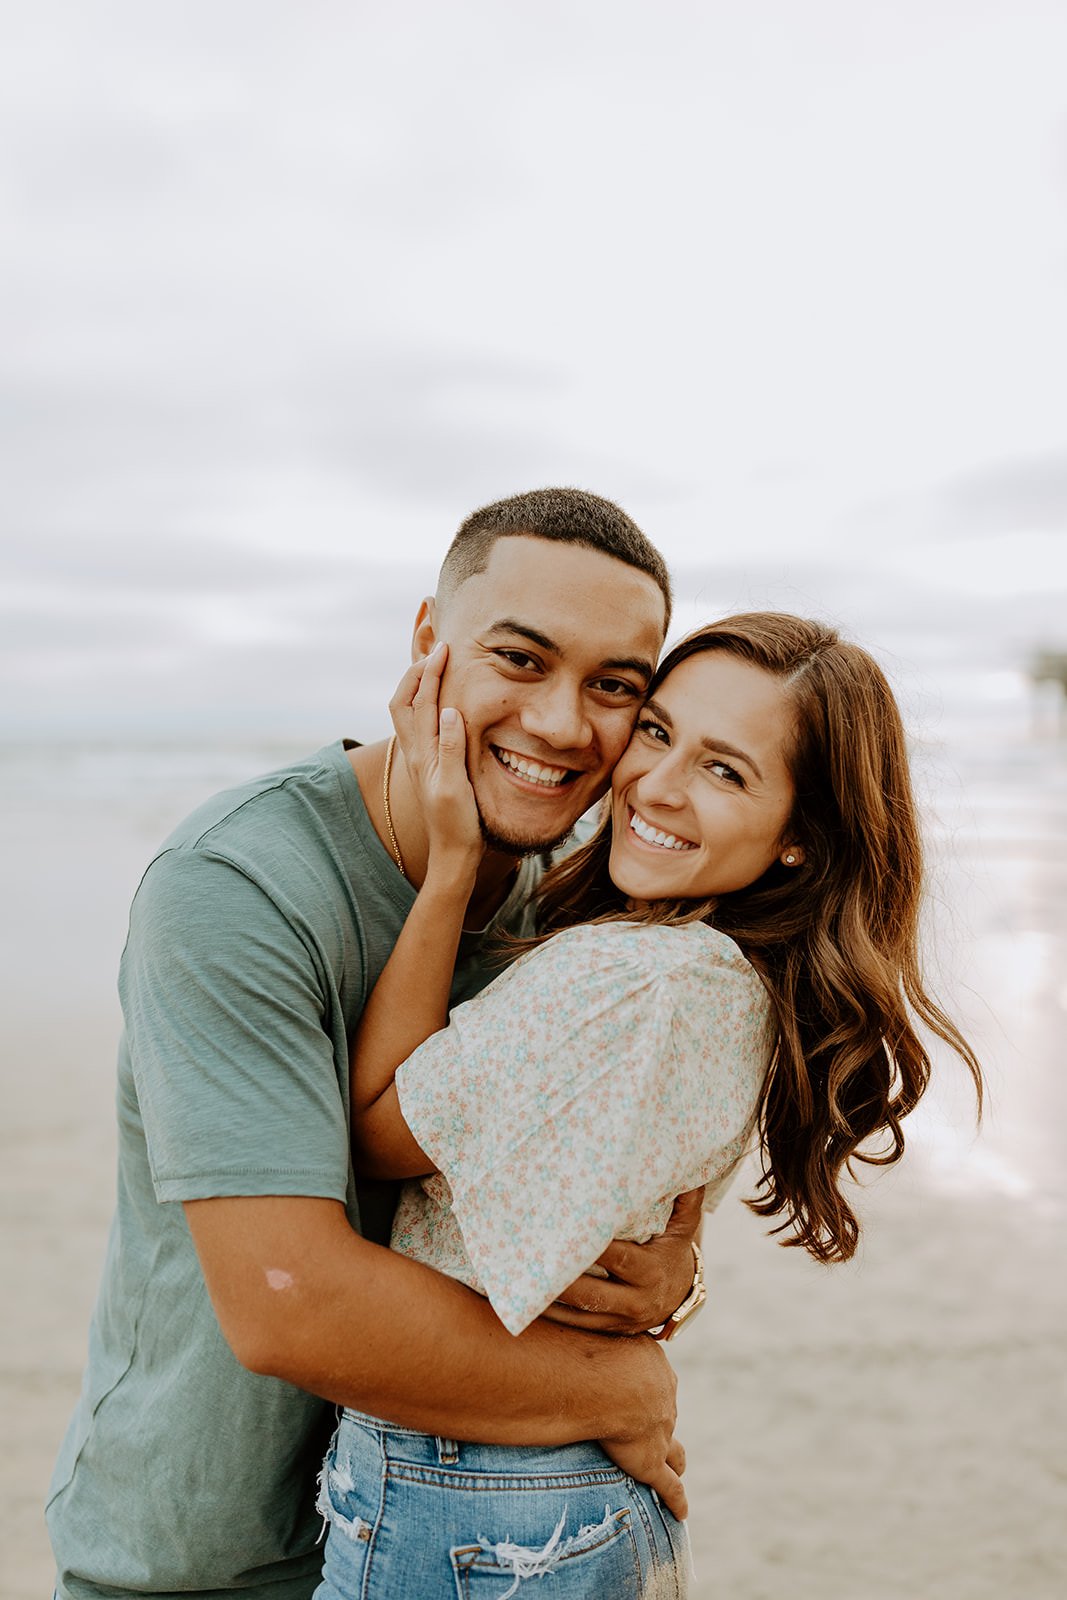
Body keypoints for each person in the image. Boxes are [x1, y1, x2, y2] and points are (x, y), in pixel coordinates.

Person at [47, 489, 707, 1600]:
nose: (557, 723)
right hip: (209, 1564)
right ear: (425, 644)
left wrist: (665, 1276)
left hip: (458, 1528)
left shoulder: (586, 897)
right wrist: (617, 1387)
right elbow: (287, 1298)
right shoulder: (235, 887)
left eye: (612, 686)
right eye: (519, 658)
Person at [312, 613, 983, 1600]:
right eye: (659, 731)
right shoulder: (728, 973)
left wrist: (451, 867)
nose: (655, 785)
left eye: (726, 770)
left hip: (473, 1494)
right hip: (553, 1490)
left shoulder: (634, 981)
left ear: (801, 835)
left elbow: (372, 1132)